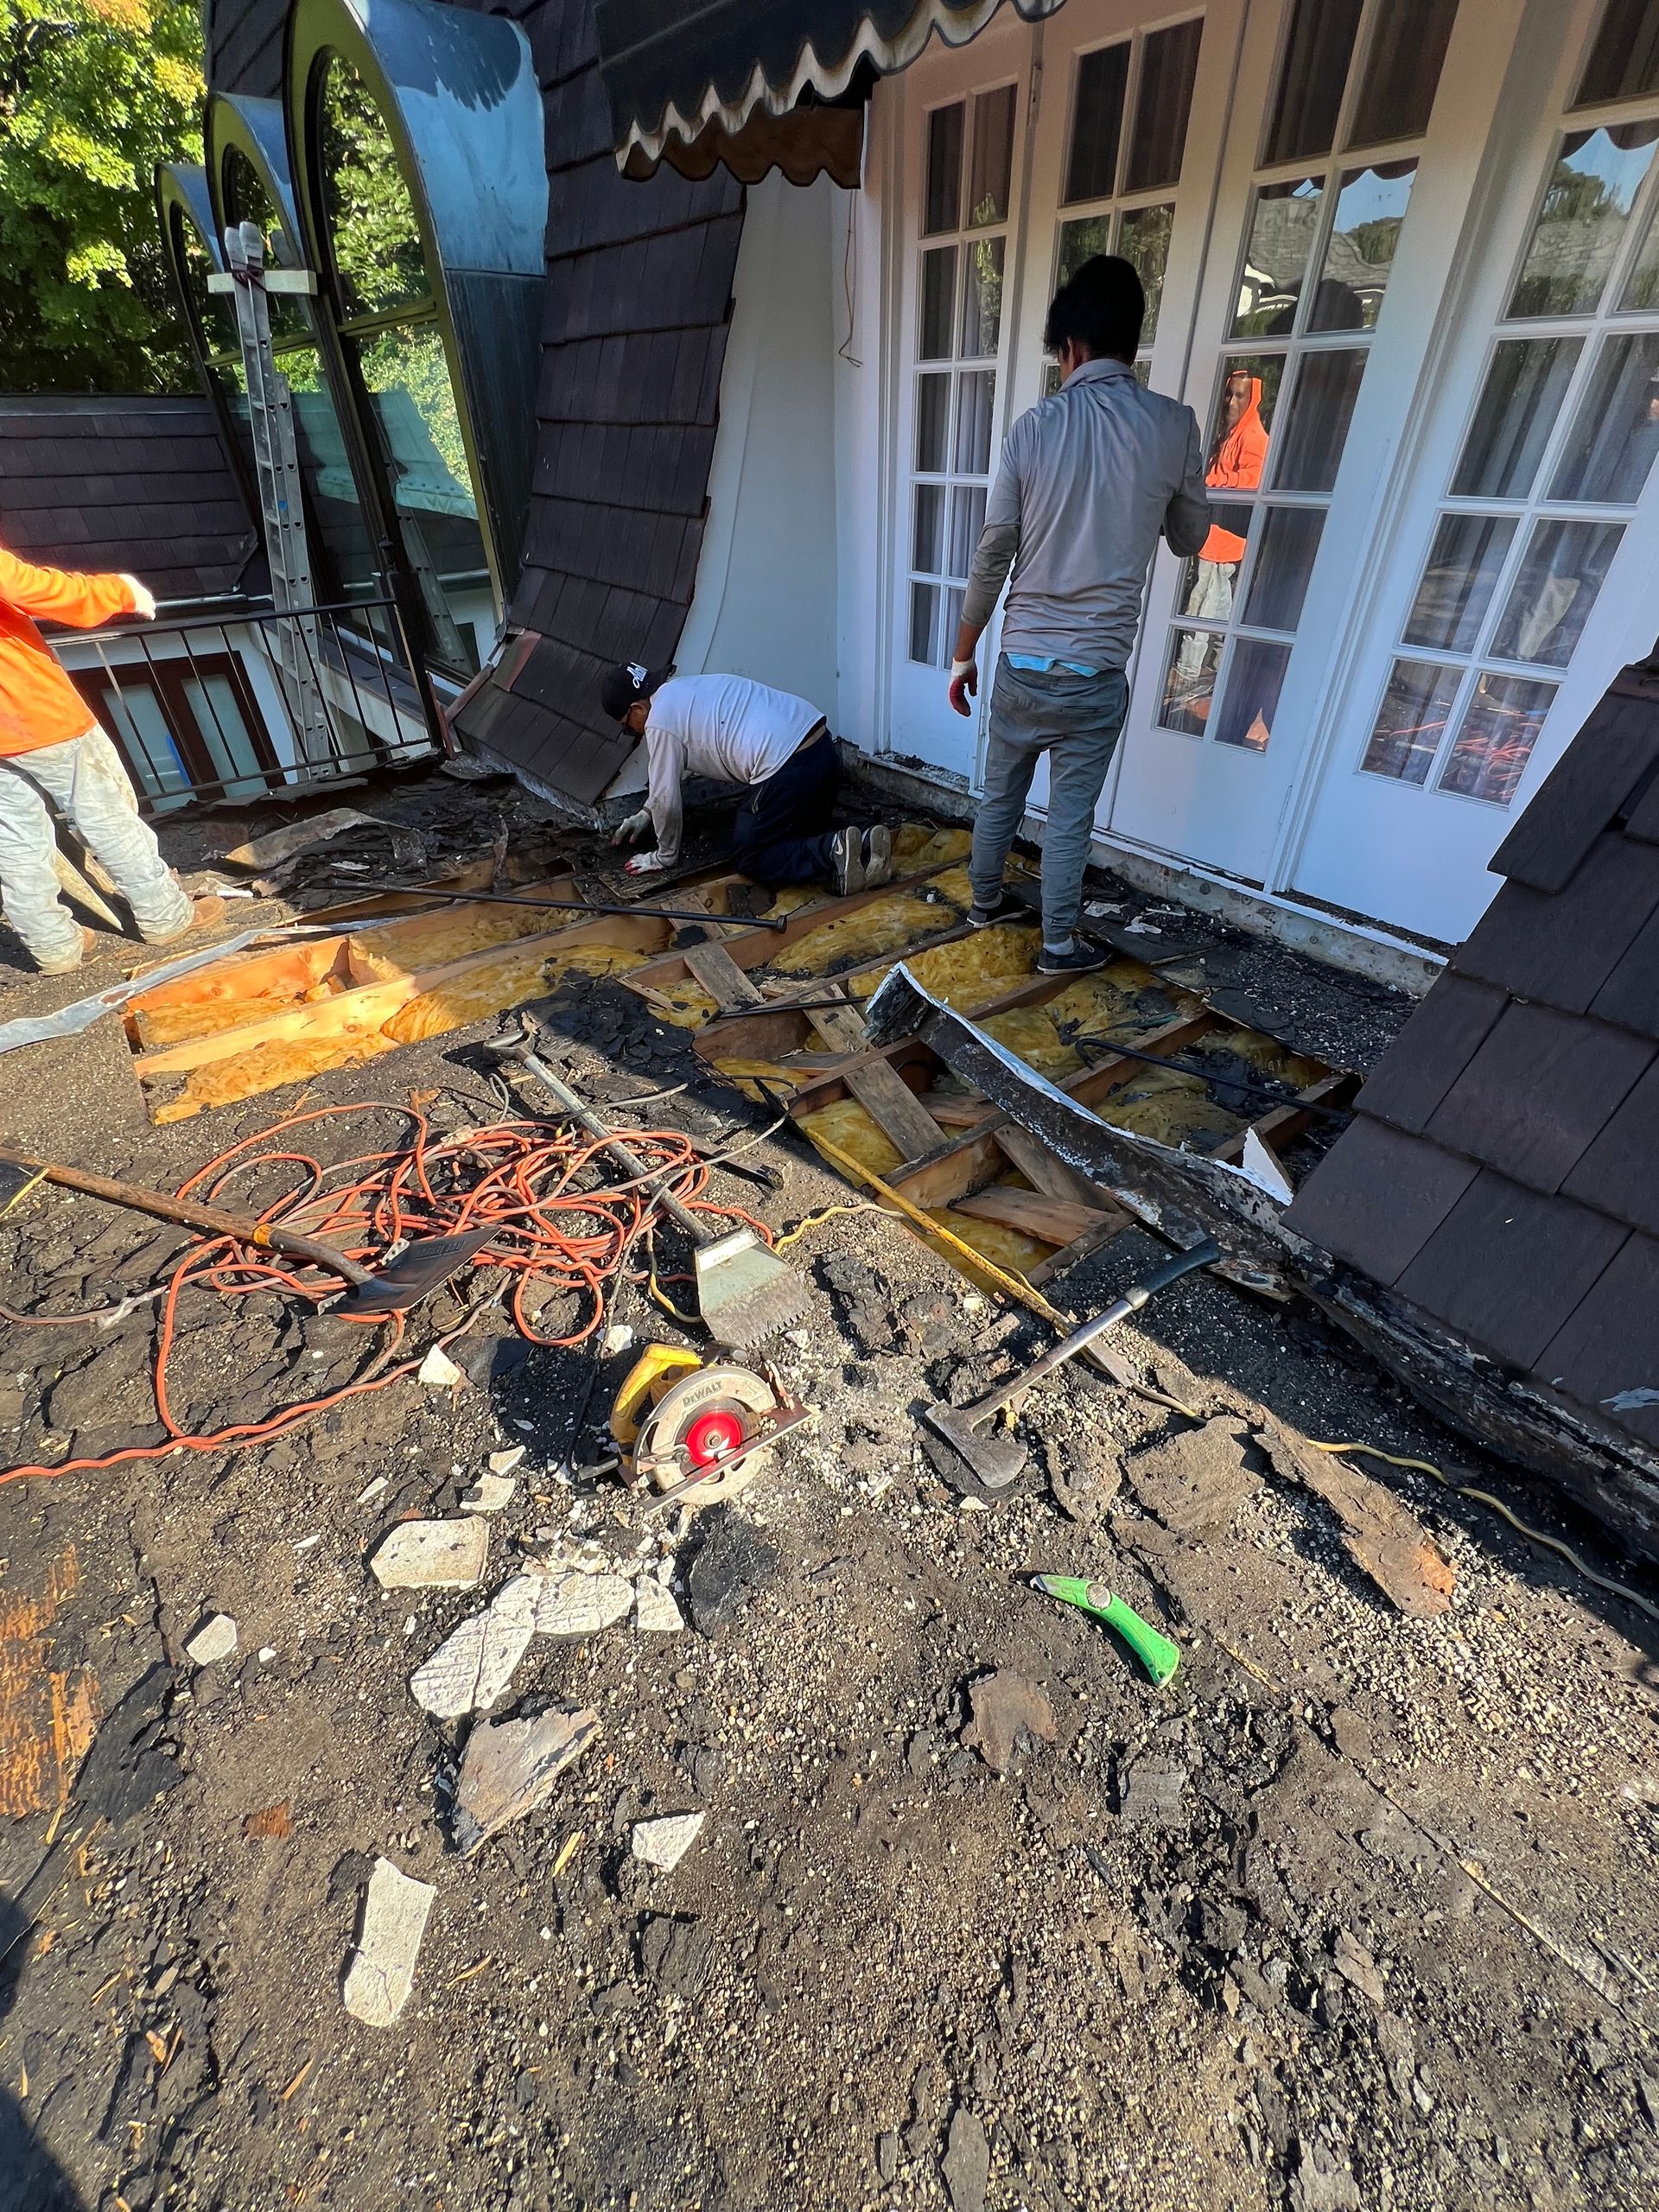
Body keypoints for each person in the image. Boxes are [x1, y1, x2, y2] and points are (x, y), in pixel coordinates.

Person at [949, 255, 1210, 974]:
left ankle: (982, 905)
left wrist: (963, 654)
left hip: (1022, 665)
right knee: (1068, 818)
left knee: (1000, 792)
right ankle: (1058, 947)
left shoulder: (1033, 429)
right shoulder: (1174, 426)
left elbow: (993, 550)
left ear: (1071, 347)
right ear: (1131, 341)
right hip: (1096, 675)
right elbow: (1190, 538)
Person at [0, 542, 213, 974]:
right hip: (35, 712)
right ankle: (165, 917)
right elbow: (35, 589)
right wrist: (121, 590)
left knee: (15, 839)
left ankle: (53, 947)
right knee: (107, 815)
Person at [602, 664, 893, 893]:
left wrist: (663, 857)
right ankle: (865, 838)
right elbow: (667, 778)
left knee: (750, 855)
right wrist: (645, 812)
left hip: (785, 766)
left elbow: (667, 801)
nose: (635, 734)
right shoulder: (682, 691)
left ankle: (832, 851)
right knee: (795, 828)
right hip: (821, 748)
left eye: (628, 728)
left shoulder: (659, 723)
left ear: (637, 710)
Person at [1175, 368, 1267, 683]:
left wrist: (1209, 482)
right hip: (1216, 539)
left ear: (1253, 398)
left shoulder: (1253, 436)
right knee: (1220, 609)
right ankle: (1217, 668)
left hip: (1224, 541)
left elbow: (1252, 480)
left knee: (1201, 608)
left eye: (1239, 395)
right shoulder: (1229, 435)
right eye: (1229, 393)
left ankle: (1188, 673)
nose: (1230, 402)